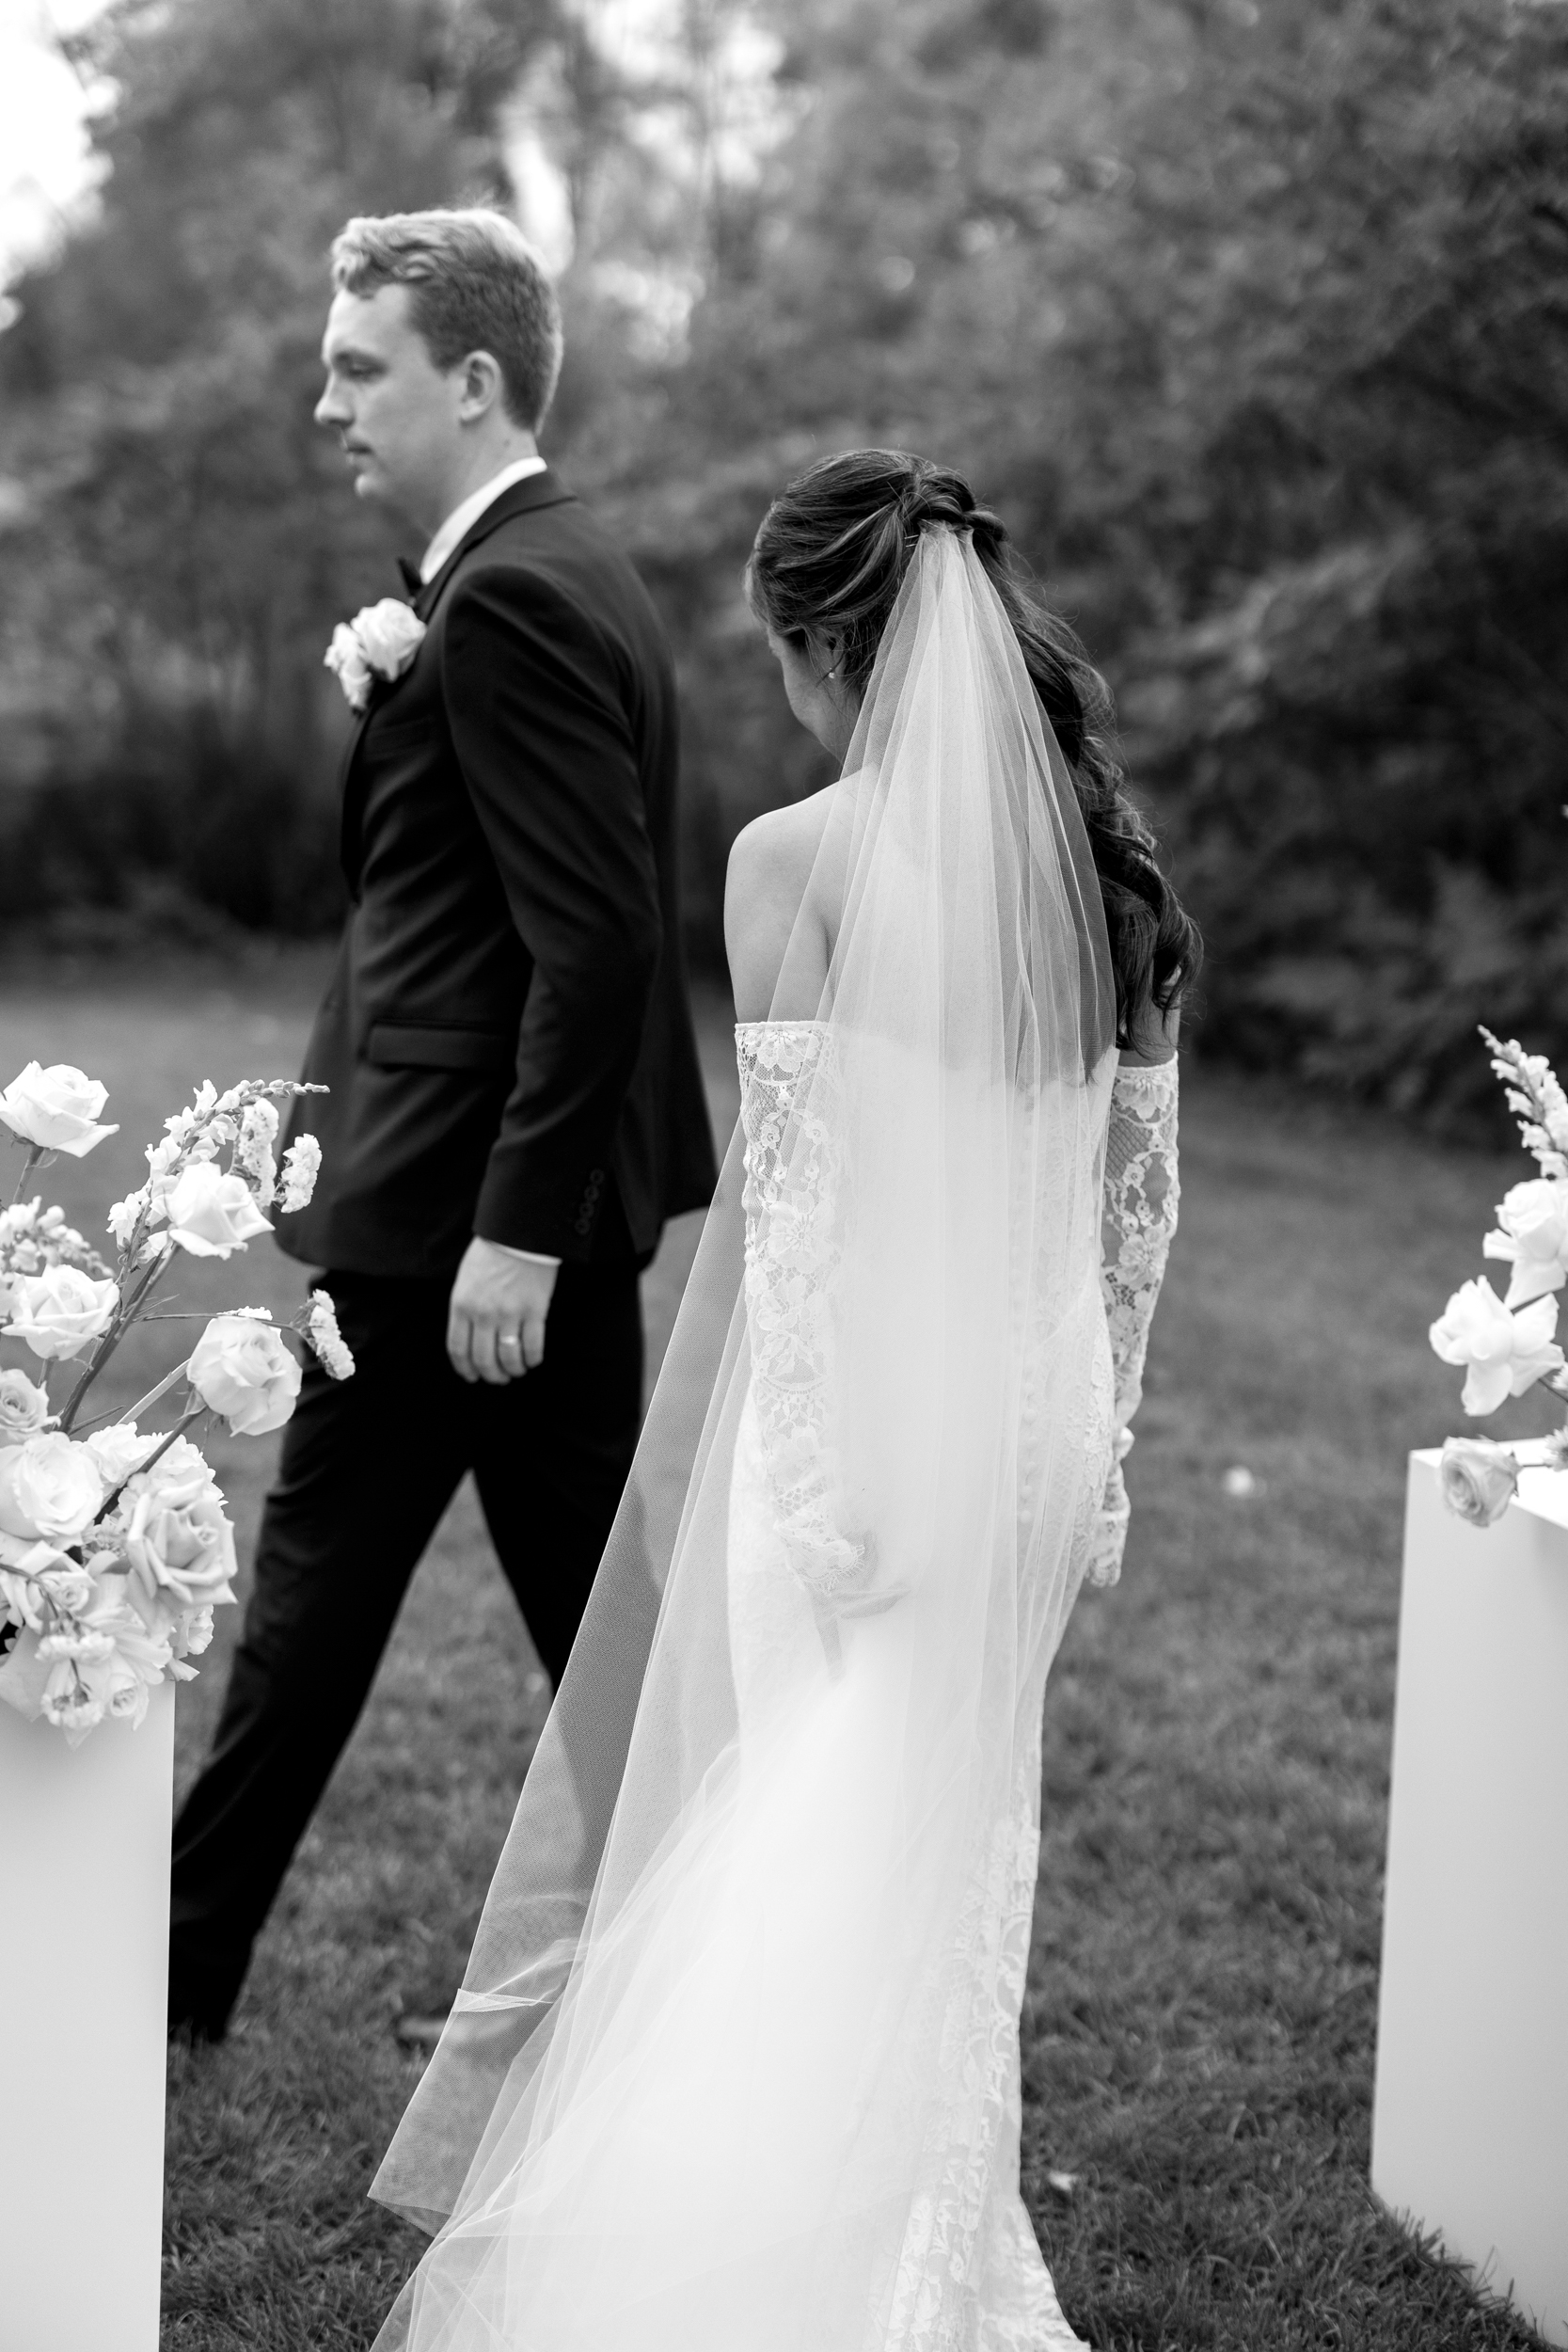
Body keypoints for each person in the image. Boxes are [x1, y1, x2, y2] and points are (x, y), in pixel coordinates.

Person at [367, 450, 1197, 2349]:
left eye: (791, 666)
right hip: (1034, 1438)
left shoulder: (787, 860)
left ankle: (755, 2274)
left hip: (866, 1451)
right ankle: (925, 2244)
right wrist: (1107, 1442)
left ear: (832, 644)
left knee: (794, 1840)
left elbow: (796, 1230)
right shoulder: (1108, 869)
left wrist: (797, 1491)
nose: (793, 705)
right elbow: (1137, 1207)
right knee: (941, 1841)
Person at [166, 209, 717, 2044]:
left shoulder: (520, 600)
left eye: (357, 367)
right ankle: (705, 1973)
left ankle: (167, 1972)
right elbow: (466, 921)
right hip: (484, 1206)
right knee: (600, 1642)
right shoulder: (546, 569)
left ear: (472, 381)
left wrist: (517, 1230)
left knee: (323, 1603)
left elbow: (604, 940)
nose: (324, 399)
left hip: (463, 1232)